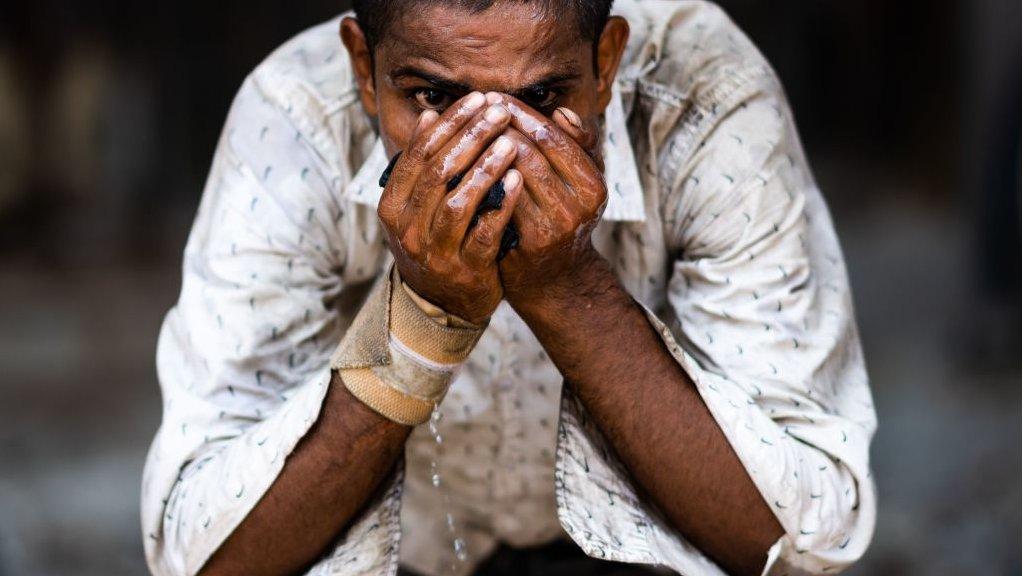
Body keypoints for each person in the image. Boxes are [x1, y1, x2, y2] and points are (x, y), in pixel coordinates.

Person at [141, 1, 877, 575]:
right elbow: (197, 552)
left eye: (543, 96)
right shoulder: (294, 120)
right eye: (433, 96)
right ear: (362, 67)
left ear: (608, 60)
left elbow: (813, 539)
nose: (492, 158)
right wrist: (422, 325)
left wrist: (565, 288)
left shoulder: (708, 102)